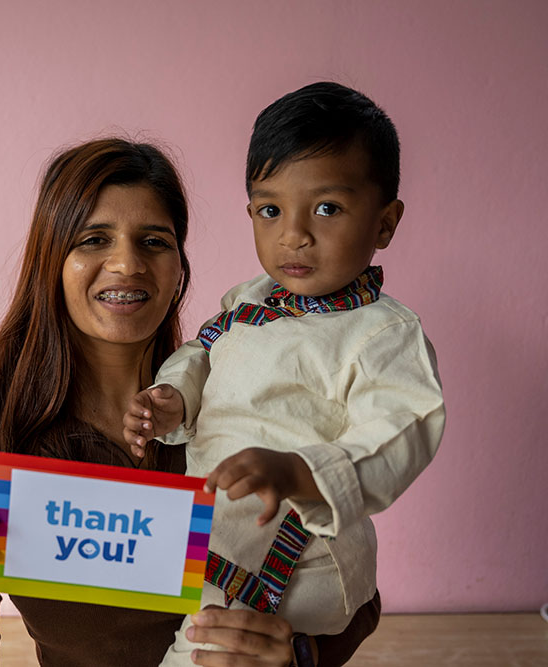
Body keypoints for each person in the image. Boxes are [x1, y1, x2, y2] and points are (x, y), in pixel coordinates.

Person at [0, 137, 381, 667]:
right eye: (93, 239)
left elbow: (354, 590)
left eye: (153, 241)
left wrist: (300, 655)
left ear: (179, 268)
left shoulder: (250, 410)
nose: (126, 263)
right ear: (51, 261)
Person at [123, 83, 446, 666]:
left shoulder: (382, 334)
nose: (293, 233)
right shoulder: (248, 301)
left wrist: (300, 471)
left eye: (327, 207)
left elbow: (404, 427)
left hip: (299, 562)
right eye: (270, 209)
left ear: (385, 223)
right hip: (218, 548)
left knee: (207, 654)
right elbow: (205, 350)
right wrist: (174, 397)